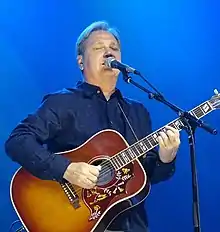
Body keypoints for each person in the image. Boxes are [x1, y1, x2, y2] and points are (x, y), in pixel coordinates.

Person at [5, 21, 180, 232]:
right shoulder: (62, 103)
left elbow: (147, 177)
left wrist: (166, 157)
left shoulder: (138, 112)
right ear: (80, 61)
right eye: (98, 48)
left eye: (114, 48)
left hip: (131, 225)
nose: (108, 52)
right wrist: (66, 169)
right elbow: (18, 141)